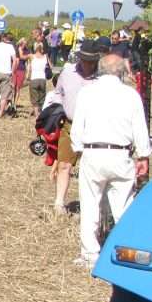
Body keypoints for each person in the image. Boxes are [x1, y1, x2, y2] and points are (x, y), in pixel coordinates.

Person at [70, 54, 152, 269]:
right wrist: (143, 155)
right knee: (123, 205)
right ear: (121, 71)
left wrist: (79, 149)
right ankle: (127, 250)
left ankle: (90, 254)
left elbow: (77, 126)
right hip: (120, 154)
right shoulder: (131, 95)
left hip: (92, 152)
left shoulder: (87, 92)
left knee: (90, 205)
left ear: (100, 69)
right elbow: (140, 128)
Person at [48, 39, 101, 214]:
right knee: (64, 165)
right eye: (85, 60)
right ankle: (59, 202)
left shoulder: (101, 79)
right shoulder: (68, 72)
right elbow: (58, 93)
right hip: (69, 125)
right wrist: (55, 112)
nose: (88, 64)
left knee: (91, 168)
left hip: (94, 128)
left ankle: (93, 204)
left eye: (91, 61)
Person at [26, 42, 50, 117]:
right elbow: (51, 66)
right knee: (42, 97)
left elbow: (28, 66)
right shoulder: (45, 57)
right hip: (42, 79)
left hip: (34, 78)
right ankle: (41, 113)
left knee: (34, 98)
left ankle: (36, 115)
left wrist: (27, 76)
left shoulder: (31, 56)